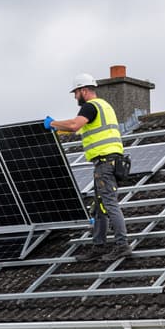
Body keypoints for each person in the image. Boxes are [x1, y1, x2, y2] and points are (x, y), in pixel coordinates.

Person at [45, 73, 130, 260]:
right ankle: (98, 246)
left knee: (109, 203)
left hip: (105, 162)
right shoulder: (104, 106)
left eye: (76, 92)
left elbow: (75, 125)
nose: (75, 96)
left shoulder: (90, 107)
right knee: (100, 206)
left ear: (83, 90)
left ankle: (122, 244)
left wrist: (52, 123)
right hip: (108, 162)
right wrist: (58, 127)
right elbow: (76, 129)